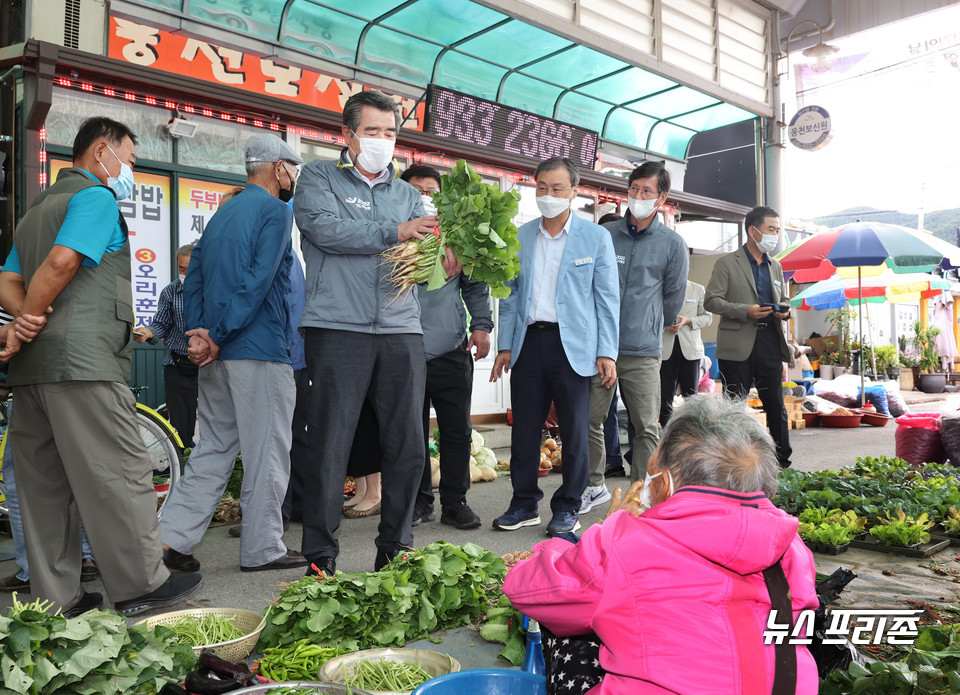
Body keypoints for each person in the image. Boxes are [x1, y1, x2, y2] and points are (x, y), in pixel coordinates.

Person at [0, 116, 202, 617]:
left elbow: (7, 277)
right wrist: (30, 318)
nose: (130, 171)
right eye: (130, 161)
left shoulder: (35, 211)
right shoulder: (94, 198)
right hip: (83, 364)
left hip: (32, 372)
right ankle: (141, 585)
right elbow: (64, 262)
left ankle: (56, 598)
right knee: (119, 470)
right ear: (102, 153)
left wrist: (22, 322)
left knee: (44, 485)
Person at [503, 395, 819, 694]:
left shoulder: (626, 542)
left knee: (573, 627)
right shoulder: (793, 548)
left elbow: (526, 588)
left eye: (651, 473)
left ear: (664, 485)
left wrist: (602, 531)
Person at [293, 90, 457, 574]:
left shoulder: (409, 194)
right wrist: (396, 232)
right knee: (330, 441)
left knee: (407, 441)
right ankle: (321, 555)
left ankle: (395, 546)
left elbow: (423, 265)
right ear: (348, 135)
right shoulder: (319, 177)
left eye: (390, 133)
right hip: (335, 326)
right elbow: (324, 231)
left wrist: (444, 262)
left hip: (401, 328)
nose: (382, 141)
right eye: (372, 131)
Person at [159, 132, 307, 573]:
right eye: (292, 168)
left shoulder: (222, 214)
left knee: (214, 449)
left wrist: (199, 335)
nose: (293, 176)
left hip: (215, 353)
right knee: (267, 452)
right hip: (258, 349)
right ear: (278, 168)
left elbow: (196, 277)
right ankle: (263, 549)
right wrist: (218, 334)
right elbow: (260, 281)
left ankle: (171, 541)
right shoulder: (276, 211)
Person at [490, 157, 619, 537]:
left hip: (574, 346)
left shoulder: (595, 238)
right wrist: (505, 345)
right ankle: (523, 503)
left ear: (574, 192)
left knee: (576, 431)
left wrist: (606, 351)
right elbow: (510, 297)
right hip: (530, 341)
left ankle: (568, 507)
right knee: (524, 431)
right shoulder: (521, 235)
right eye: (542, 187)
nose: (548, 195)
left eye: (557, 188)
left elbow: (606, 299)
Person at [581, 161, 688, 515]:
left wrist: (648, 322)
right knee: (590, 419)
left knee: (645, 426)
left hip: (642, 350)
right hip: (600, 348)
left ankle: (638, 494)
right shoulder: (604, 236)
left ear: (661, 198)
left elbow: (672, 299)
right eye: (634, 189)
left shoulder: (672, 244)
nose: (638, 197)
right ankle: (593, 486)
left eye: (647, 192)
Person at [403, 165, 493, 531]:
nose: (424, 195)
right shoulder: (393, 235)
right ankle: (419, 502)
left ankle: (455, 502)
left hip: (450, 349)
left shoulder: (458, 236)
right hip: (404, 350)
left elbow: (475, 285)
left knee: (457, 431)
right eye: (416, 189)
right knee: (410, 432)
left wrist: (482, 325)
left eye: (430, 190)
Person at [705, 205, 793, 468]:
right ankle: (735, 461)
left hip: (770, 343)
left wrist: (785, 312)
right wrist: (746, 311)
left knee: (776, 405)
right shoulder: (727, 263)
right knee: (734, 408)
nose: (775, 235)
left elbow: (785, 298)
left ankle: (781, 461)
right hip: (737, 345)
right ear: (752, 231)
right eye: (771, 230)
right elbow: (711, 301)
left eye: (777, 230)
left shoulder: (775, 266)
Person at [133, 243, 199, 447]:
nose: (186, 274)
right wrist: (149, 332)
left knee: (216, 422)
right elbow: (161, 323)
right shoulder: (170, 292)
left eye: (191, 269)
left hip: (208, 366)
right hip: (178, 365)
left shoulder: (213, 290)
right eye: (181, 269)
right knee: (179, 427)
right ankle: (181, 465)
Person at [659, 279, 712, 425]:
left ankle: (691, 434)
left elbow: (708, 317)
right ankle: (667, 435)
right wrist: (664, 324)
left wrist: (688, 321)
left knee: (691, 398)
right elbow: (651, 314)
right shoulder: (659, 287)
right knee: (664, 398)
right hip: (665, 350)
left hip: (690, 350)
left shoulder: (698, 289)